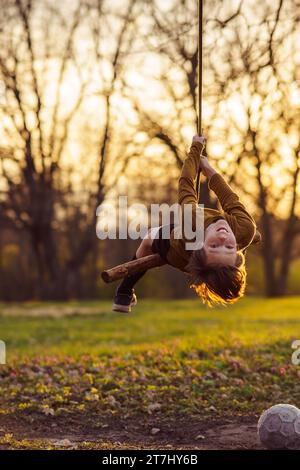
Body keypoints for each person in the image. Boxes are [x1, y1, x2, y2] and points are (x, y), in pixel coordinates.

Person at [112, 135, 261, 312]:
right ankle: (243, 242)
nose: (223, 236)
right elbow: (229, 198)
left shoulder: (191, 222)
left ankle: (123, 293)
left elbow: (186, 183)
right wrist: (208, 168)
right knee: (251, 231)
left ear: (200, 246)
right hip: (210, 234)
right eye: (229, 248)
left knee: (148, 240)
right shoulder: (244, 230)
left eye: (213, 246)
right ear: (237, 248)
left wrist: (196, 148)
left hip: (175, 249)